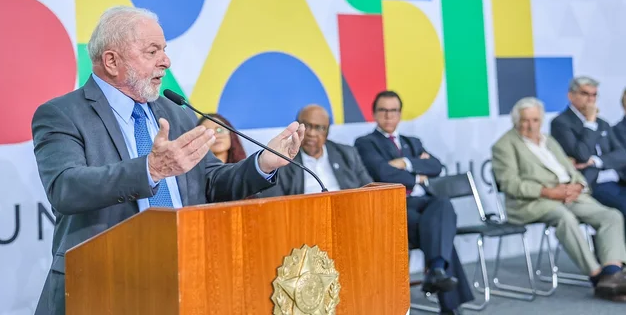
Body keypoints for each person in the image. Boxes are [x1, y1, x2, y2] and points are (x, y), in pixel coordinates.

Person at [31, 6, 304, 315]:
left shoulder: (175, 112)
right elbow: (66, 187)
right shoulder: (63, 114)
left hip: (182, 278)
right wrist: (150, 170)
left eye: (164, 49)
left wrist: (263, 163)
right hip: (101, 285)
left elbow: (210, 182)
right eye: (153, 51)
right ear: (111, 61)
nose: (166, 60)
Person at [492, 97, 626, 301]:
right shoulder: (504, 146)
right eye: (525, 120)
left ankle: (612, 273)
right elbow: (510, 184)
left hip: (569, 195)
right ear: (516, 121)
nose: (531, 125)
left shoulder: (548, 141)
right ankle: (597, 277)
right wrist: (548, 191)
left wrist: (579, 186)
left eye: (535, 120)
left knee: (611, 215)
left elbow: (571, 169)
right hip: (533, 202)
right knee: (565, 218)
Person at [354, 91, 472, 315]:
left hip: (424, 202)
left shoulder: (412, 142)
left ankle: (436, 270)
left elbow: (436, 166)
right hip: (396, 204)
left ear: (400, 114)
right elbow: (382, 173)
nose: (389, 116)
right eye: (383, 110)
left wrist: (404, 162)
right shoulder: (366, 143)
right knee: (439, 233)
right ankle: (447, 299)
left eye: (393, 111)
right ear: (374, 114)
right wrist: (417, 172)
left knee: (443, 204)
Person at [551, 77, 626, 220]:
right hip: (591, 184)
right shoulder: (561, 123)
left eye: (594, 95)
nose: (591, 99)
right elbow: (582, 155)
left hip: (618, 179)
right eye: (585, 94)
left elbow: (622, 153)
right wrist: (590, 123)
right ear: (571, 96)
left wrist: (597, 161)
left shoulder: (603, 123)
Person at [260, 104, 372, 197]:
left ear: (327, 132)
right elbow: (271, 201)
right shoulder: (282, 158)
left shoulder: (347, 153)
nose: (311, 134)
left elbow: (370, 190)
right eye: (307, 126)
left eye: (319, 128)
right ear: (297, 127)